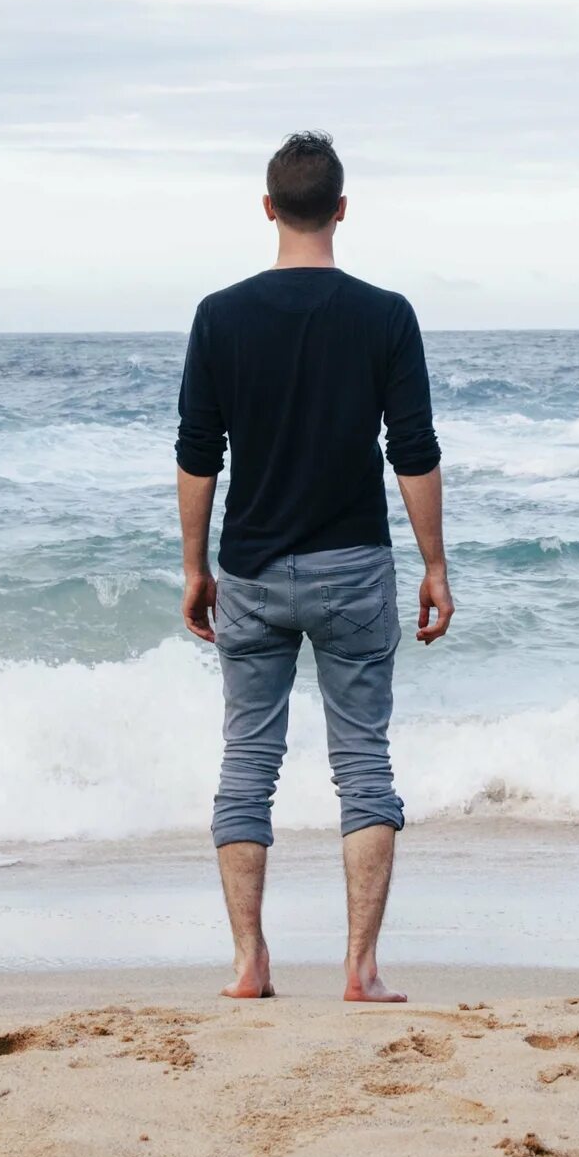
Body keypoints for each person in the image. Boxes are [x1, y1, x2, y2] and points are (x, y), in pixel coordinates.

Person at [174, 132, 452, 1003]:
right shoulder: (385, 315)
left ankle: (249, 963)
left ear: (268, 209)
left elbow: (197, 454)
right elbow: (413, 452)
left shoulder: (220, 315)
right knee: (363, 761)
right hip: (353, 567)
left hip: (251, 570)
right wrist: (435, 564)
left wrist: (195, 567)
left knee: (246, 763)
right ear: (340, 208)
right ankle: (360, 969)